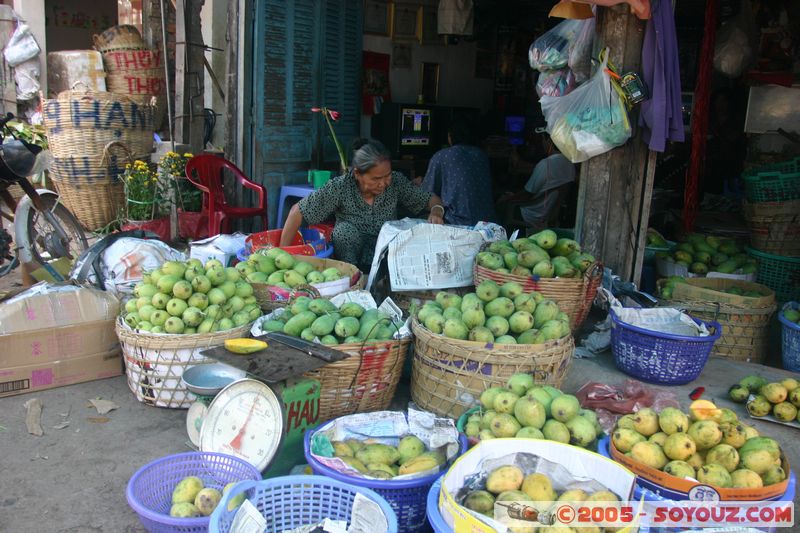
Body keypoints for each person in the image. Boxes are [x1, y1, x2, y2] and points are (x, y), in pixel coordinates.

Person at [280, 139, 445, 271]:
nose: (384, 183)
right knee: (343, 231)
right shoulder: (340, 186)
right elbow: (298, 211)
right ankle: (353, 277)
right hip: (352, 254)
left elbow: (431, 199)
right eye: (376, 179)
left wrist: (437, 211)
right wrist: (281, 256)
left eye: (386, 176)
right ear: (357, 173)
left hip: (386, 252)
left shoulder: (396, 182)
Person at [419, 117, 497, 226]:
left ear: (450, 136)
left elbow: (425, 195)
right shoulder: (482, 155)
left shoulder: (442, 156)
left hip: (458, 223)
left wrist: (419, 183)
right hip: (488, 223)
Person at [497, 132, 576, 232]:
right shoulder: (570, 164)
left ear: (549, 141)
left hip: (531, 214)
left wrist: (509, 198)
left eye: (542, 140)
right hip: (549, 214)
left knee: (500, 199)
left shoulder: (545, 164)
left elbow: (527, 194)